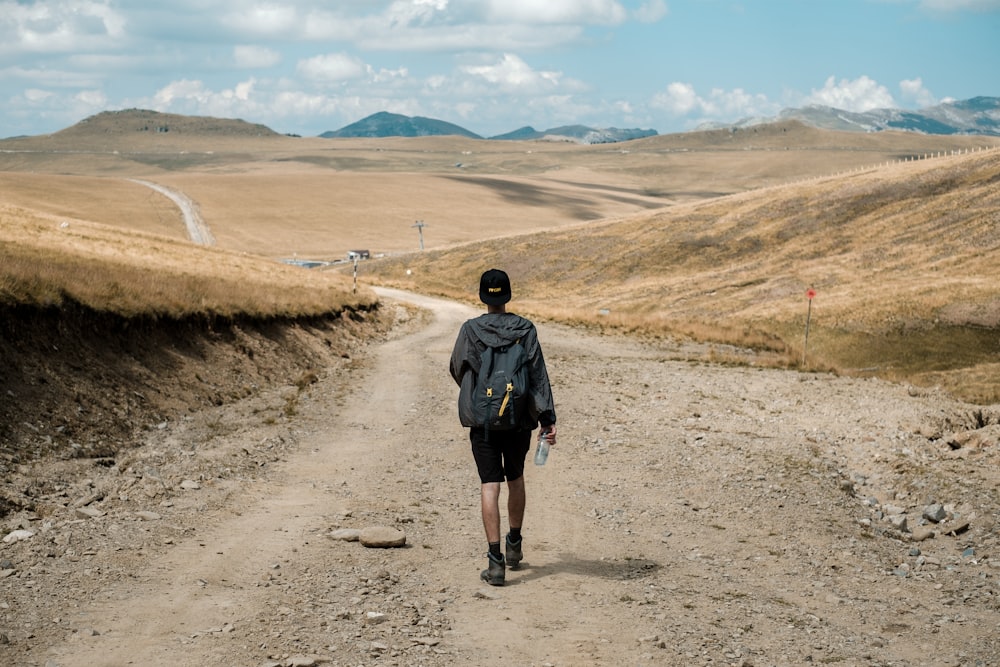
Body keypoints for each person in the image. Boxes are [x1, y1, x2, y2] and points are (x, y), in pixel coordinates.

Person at [449, 268, 557, 586]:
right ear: (508, 295)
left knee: (489, 484)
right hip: (518, 420)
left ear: (483, 297)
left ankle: (495, 563)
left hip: (483, 421)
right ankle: (515, 544)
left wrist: (478, 395)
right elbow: (538, 377)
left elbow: (457, 367)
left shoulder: (470, 330)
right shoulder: (525, 330)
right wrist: (547, 418)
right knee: (516, 478)